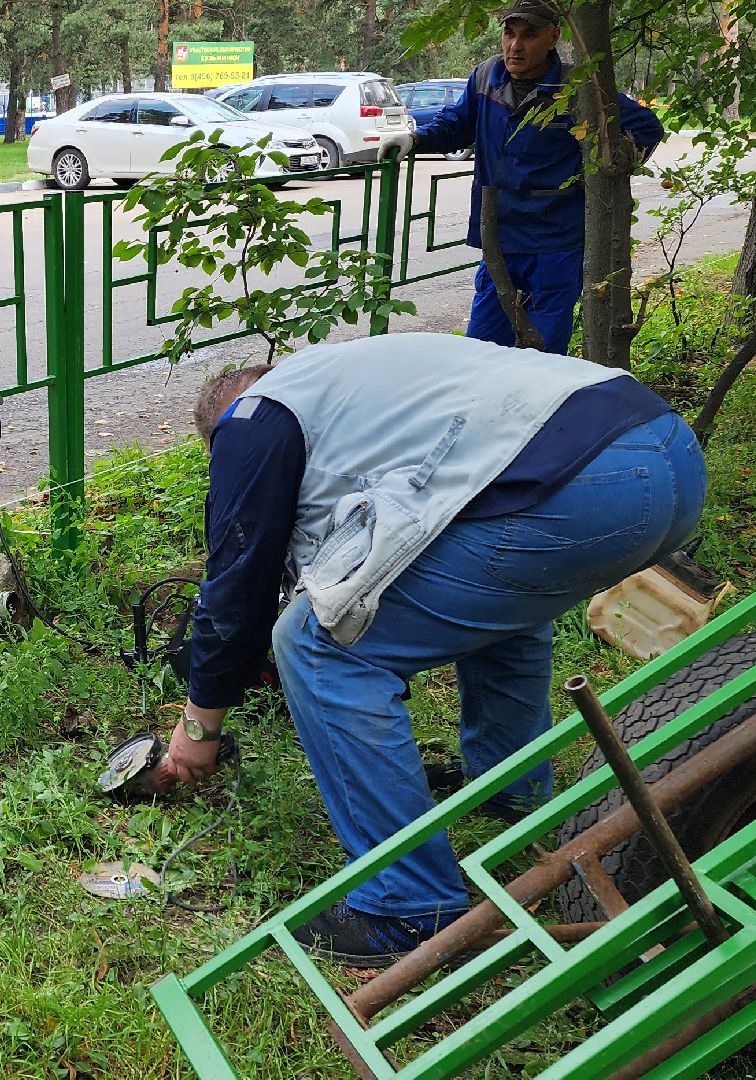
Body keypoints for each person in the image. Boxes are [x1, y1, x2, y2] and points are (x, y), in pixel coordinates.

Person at [160, 334, 706, 966]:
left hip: (584, 492)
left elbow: (238, 581)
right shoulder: (356, 387)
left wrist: (201, 722)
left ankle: (408, 905)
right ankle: (512, 789)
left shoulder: (253, 419)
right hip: (666, 454)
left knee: (317, 645)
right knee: (499, 600)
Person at [411, 0, 665, 355]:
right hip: (499, 237)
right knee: (480, 348)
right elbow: (458, 123)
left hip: (556, 242)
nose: (515, 46)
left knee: (543, 352)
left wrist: (602, 170)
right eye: (509, 34)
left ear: (552, 37)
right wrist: (415, 139)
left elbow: (646, 127)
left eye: (529, 35)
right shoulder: (486, 76)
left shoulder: (578, 86)